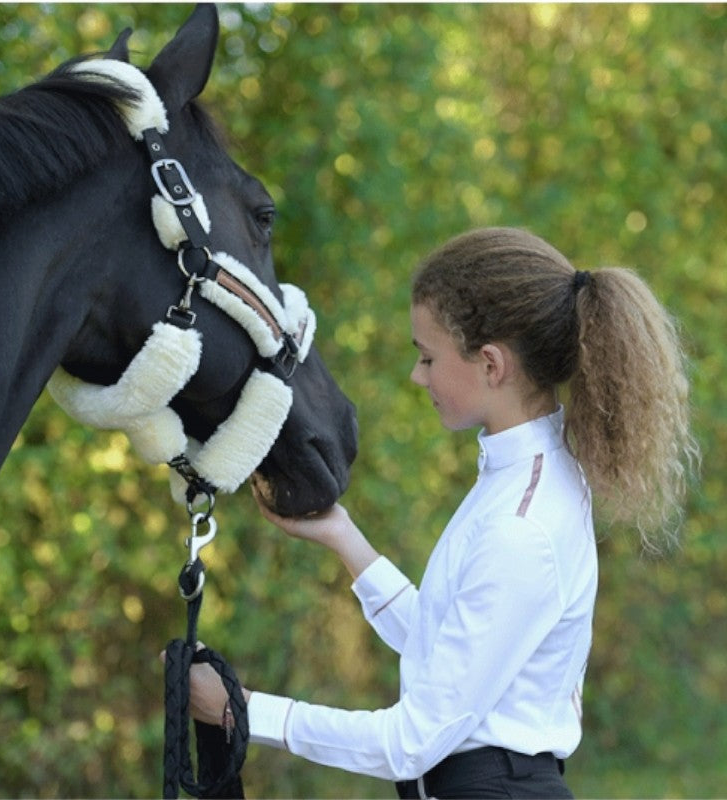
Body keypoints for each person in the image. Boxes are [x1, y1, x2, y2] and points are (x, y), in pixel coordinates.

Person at [178, 227, 698, 798]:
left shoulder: (521, 524)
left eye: (428, 357)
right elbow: (451, 646)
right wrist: (345, 539)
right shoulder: (521, 480)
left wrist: (244, 711)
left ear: (492, 364)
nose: (417, 375)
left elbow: (409, 741)